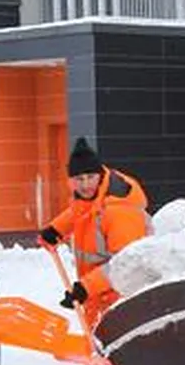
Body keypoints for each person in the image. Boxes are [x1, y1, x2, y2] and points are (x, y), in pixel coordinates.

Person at [40, 137, 151, 324]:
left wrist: (85, 288)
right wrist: (56, 229)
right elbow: (82, 212)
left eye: (90, 177)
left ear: (100, 175)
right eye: (78, 179)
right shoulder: (93, 197)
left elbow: (126, 264)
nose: (85, 185)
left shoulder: (119, 211)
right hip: (100, 296)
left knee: (115, 350)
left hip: (122, 301)